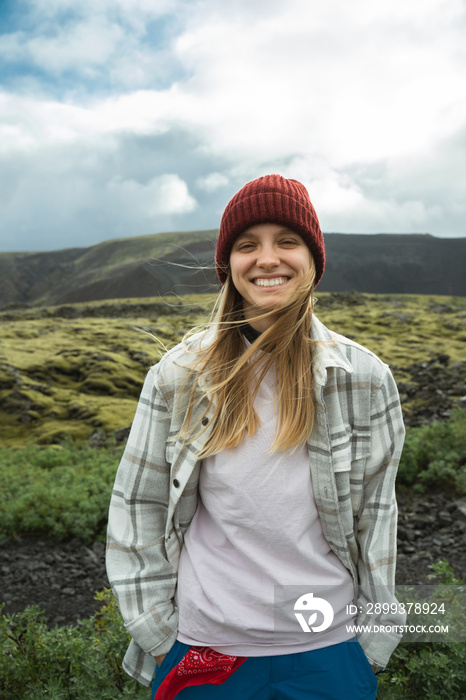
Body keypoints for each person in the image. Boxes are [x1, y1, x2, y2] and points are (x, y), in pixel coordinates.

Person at [106, 174, 406, 700]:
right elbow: (138, 508)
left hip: (327, 649)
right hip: (203, 651)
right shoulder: (178, 377)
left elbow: (376, 517)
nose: (268, 258)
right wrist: (158, 638)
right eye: (248, 245)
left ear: (313, 260)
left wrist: (372, 641)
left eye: (287, 241)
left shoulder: (364, 379)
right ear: (229, 266)